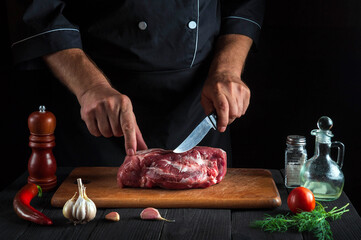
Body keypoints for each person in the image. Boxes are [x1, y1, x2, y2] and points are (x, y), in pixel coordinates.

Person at [7, 0, 265, 167]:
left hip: (199, 108)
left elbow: (243, 4)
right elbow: (40, 14)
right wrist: (90, 87)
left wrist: (227, 70)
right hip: (99, 112)